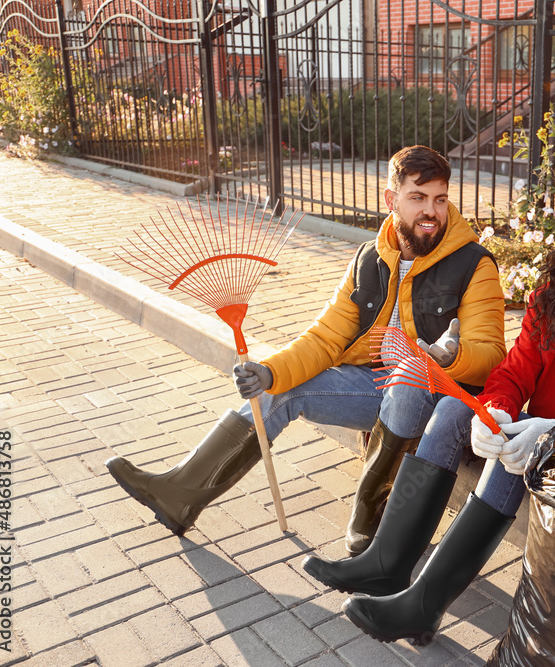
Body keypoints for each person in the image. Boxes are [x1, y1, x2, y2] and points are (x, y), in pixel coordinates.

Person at [303, 162, 555, 645]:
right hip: (545, 432)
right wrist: (501, 408)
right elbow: (515, 370)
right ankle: (388, 565)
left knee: (511, 459)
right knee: (452, 410)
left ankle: (424, 604)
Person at [105, 146, 506, 553]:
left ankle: (373, 518)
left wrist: (449, 357)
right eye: (418, 198)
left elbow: (490, 353)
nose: (431, 212)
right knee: (281, 389)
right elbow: (325, 338)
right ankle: (181, 493)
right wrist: (270, 371)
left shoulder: (474, 264)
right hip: (378, 388)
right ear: (391, 199)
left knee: (406, 378)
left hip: (439, 397)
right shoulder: (370, 259)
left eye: (440, 199)